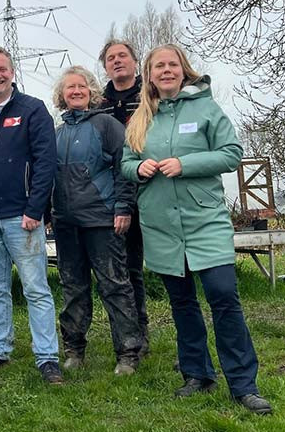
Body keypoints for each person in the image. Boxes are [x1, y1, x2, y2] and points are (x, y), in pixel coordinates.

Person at [121, 44, 272, 414]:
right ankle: (198, 375)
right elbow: (125, 162)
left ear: (183, 70)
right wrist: (137, 169)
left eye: (173, 64)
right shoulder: (141, 117)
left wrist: (185, 164)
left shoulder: (206, 108)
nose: (166, 70)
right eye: (159, 66)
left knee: (223, 296)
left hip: (204, 221)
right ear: (150, 74)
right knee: (182, 302)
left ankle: (243, 384)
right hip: (161, 225)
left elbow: (231, 153)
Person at [0, 46, 63, 385]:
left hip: (23, 218)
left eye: (2, 69)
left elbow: (46, 163)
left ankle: (47, 357)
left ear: (12, 72)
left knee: (36, 288)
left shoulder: (33, 110)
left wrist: (36, 209)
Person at [50, 65, 142, 375]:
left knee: (115, 286)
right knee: (72, 287)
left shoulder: (107, 125)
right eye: (69, 88)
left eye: (81, 86)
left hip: (103, 220)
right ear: (62, 96)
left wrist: (123, 208)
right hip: (66, 223)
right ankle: (74, 349)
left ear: (92, 92)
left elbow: (124, 168)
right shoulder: (57, 133)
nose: (75, 91)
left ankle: (129, 351)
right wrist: (50, 213)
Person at [97, 40, 150, 354]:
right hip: (117, 196)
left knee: (173, 267)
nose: (117, 62)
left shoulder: (150, 97)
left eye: (122, 56)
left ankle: (189, 339)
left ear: (134, 61)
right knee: (128, 269)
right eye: (110, 58)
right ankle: (136, 332)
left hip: (151, 190)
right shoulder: (99, 104)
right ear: (105, 66)